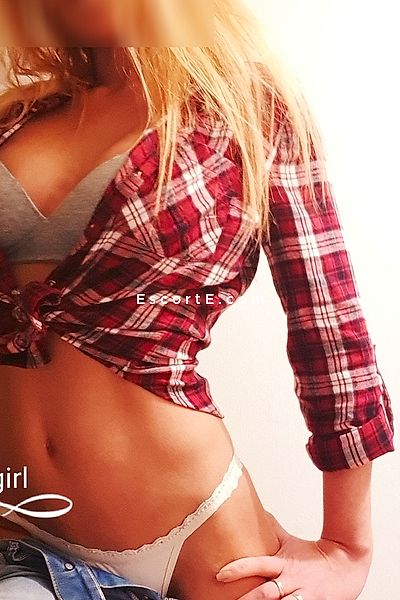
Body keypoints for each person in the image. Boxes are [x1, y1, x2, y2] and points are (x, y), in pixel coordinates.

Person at [0, 1, 394, 599]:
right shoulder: (20, 116)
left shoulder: (249, 109)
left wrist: (349, 547)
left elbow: (328, 325)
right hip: (21, 521)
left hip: (195, 535)